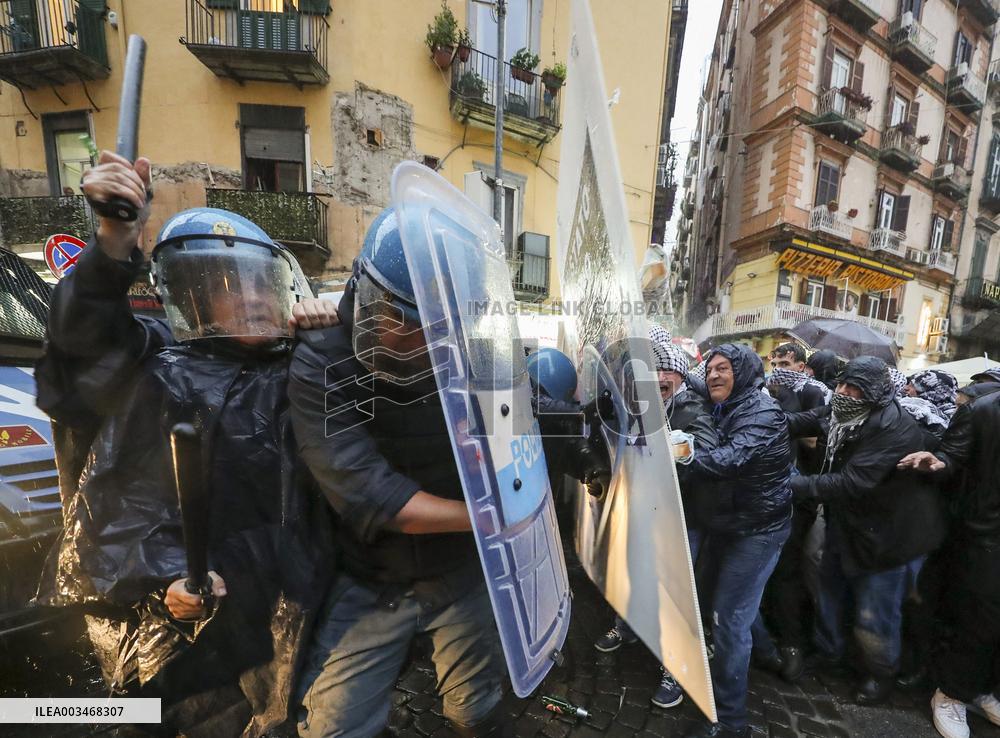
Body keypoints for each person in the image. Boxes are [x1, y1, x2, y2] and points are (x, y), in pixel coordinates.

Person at [33, 151, 338, 737]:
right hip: (180, 627)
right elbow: (83, 350)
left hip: (281, 616)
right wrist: (114, 242)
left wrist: (329, 338)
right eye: (225, 286)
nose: (249, 297)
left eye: (257, 282)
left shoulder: (298, 366)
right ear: (192, 299)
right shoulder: (154, 367)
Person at [289, 208, 505, 738]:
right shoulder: (322, 358)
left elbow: (523, 416)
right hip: (371, 578)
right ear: (365, 292)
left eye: (437, 327)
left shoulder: (469, 355)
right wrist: (491, 516)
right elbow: (369, 493)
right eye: (401, 319)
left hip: (459, 571)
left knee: (476, 708)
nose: (418, 342)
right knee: (332, 727)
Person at [787, 357, 946, 706]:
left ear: (874, 392)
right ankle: (830, 654)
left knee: (875, 613)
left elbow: (853, 480)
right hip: (847, 525)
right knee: (828, 591)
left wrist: (791, 485)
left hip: (890, 536)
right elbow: (807, 420)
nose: (843, 393)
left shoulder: (894, 426)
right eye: (842, 384)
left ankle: (879, 673)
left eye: (853, 388)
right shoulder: (843, 411)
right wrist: (767, 420)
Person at [593, 325, 719, 710]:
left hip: (681, 518)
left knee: (676, 593)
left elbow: (705, 448)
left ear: (680, 377)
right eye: (652, 372)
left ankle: (677, 669)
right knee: (631, 573)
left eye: (667, 373)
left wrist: (677, 445)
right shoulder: (636, 404)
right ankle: (628, 628)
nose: (659, 379)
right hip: (641, 507)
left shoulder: (692, 408)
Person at [682, 343, 793, 738]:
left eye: (723, 368)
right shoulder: (725, 404)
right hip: (731, 524)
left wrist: (680, 455)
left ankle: (730, 723)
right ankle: (772, 656)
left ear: (743, 372)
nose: (713, 375)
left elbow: (731, 459)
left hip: (758, 532)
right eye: (709, 368)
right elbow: (685, 379)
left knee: (728, 620)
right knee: (734, 605)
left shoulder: (762, 412)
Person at [898, 372, 1000, 738]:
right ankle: (952, 693)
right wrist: (938, 462)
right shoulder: (984, 411)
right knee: (980, 619)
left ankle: (982, 688)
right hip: (985, 535)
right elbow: (952, 456)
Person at [758, 342, 829, 682]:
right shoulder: (765, 389)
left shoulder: (814, 392)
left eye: (786, 362)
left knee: (786, 570)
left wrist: (786, 416)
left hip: (796, 495)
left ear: (802, 365)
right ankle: (768, 633)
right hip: (762, 493)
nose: (780, 367)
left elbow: (814, 443)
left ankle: (791, 644)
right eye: (775, 361)